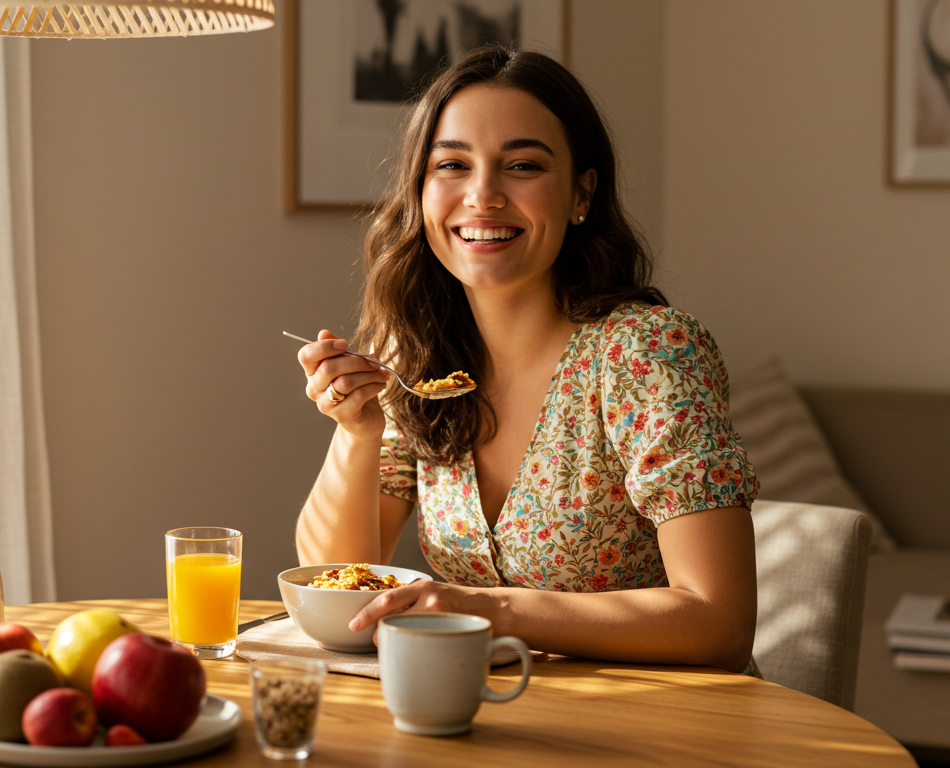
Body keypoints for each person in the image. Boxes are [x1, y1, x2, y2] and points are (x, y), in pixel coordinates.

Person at [293, 46, 760, 674]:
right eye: (453, 164)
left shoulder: (647, 354)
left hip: (659, 729)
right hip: (488, 716)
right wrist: (358, 434)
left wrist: (494, 611)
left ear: (581, 195)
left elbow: (719, 619)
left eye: (522, 166)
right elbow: (338, 594)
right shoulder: (421, 362)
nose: (482, 195)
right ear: (420, 192)